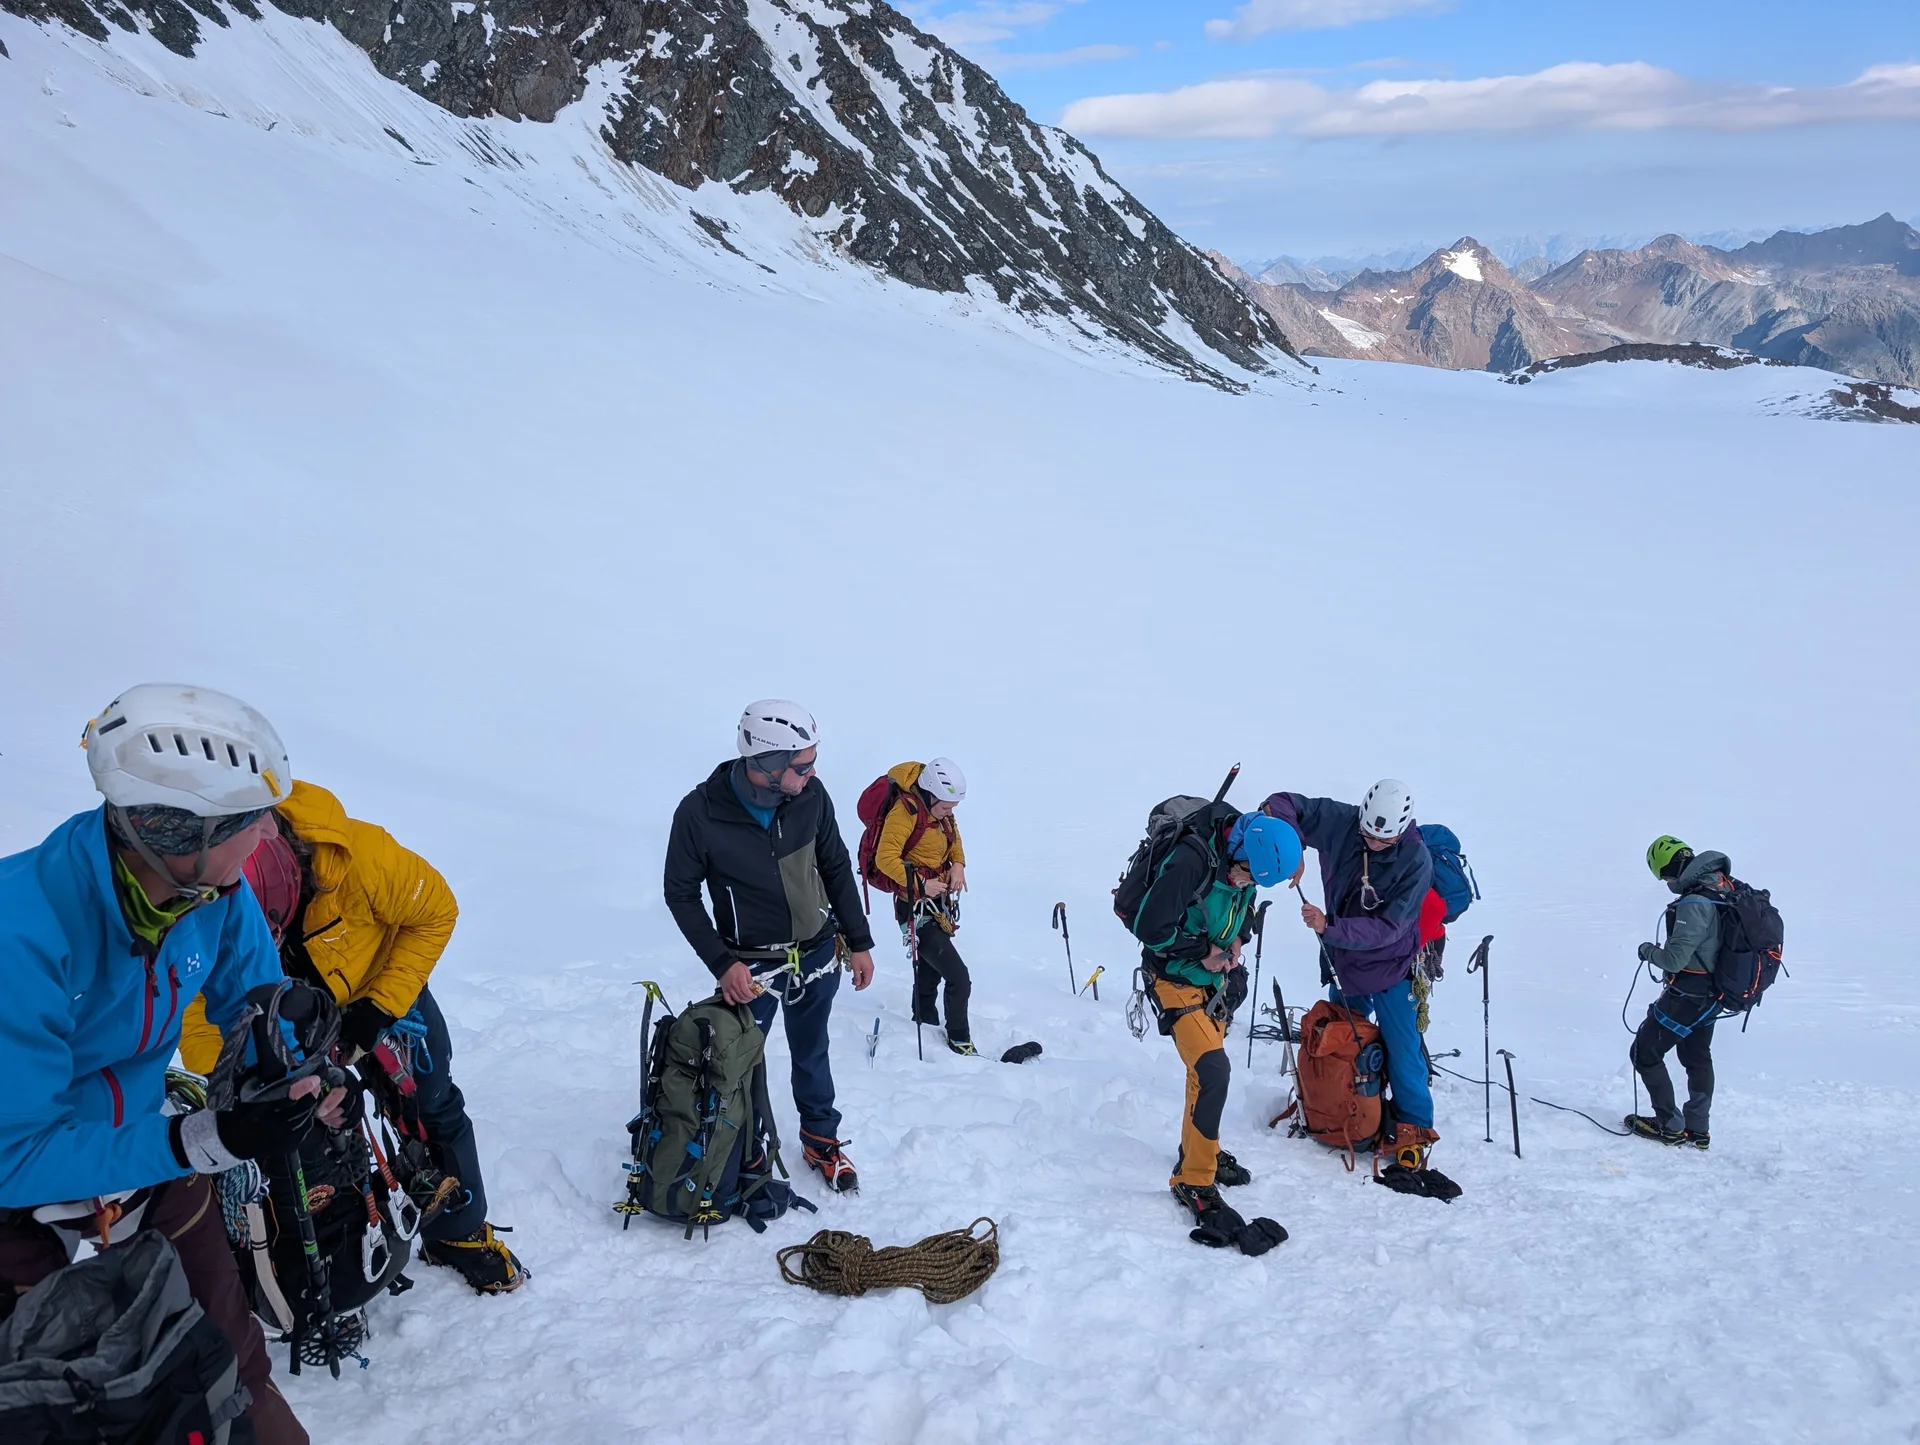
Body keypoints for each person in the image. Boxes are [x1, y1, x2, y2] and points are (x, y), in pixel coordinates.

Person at [0, 683, 350, 1445]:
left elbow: (254, 994)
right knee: (91, 1414)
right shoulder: (20, 932)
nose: (267, 833)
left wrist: (295, 1060)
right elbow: (15, 1151)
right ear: (177, 832)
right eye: (249, 821)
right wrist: (201, 1138)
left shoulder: (212, 889)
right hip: (29, 1219)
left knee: (237, 1372)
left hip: (153, 1176)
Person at [178, 779, 526, 1293]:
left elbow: (436, 912)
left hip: (378, 988)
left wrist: (379, 1008)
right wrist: (245, 1083)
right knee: (311, 1132)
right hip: (284, 1020)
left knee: (431, 1105)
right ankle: (341, 1240)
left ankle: (458, 1230)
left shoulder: (359, 859)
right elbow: (197, 1006)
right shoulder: (203, 892)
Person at [663, 701, 876, 1192]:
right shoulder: (700, 813)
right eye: (802, 765)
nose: (813, 773)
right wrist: (722, 963)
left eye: (813, 761)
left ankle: (821, 1140)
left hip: (818, 953)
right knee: (737, 1065)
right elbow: (680, 893)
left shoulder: (811, 798)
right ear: (765, 765)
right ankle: (743, 1152)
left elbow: (837, 867)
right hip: (750, 966)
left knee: (812, 1049)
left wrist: (859, 940)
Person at [1128, 807, 1301, 1239]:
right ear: (1238, 851)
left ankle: (1200, 1151)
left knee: (1202, 1075)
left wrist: (1237, 940)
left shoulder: (1244, 857)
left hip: (1214, 982)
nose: (1247, 883)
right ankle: (1195, 1180)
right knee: (1213, 1071)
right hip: (1172, 979)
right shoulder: (1191, 862)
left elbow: (1241, 910)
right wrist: (1202, 951)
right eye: (1246, 874)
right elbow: (1151, 928)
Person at [1262, 779, 1439, 1171]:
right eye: (1368, 835)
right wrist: (1293, 850)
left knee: (1403, 1048)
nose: (1373, 843)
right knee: (1338, 1043)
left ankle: (1413, 1129)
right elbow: (1281, 803)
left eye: (1383, 840)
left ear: (1401, 831)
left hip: (1391, 965)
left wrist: (1330, 928)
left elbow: (1389, 928)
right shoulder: (1344, 823)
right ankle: (1334, 1109)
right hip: (1344, 962)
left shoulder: (1416, 860)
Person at [1625, 836, 1728, 1149]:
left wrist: (1646, 951)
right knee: (1696, 1055)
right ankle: (1698, 1129)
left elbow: (1674, 959)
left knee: (1645, 1052)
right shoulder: (1722, 887)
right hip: (1715, 992)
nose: (1667, 882)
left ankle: (1669, 1126)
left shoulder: (1695, 902)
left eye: (1665, 876)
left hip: (1689, 994)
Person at [872, 758, 974, 1055]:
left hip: (936, 904)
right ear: (929, 794)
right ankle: (959, 1039)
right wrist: (920, 885)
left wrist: (958, 864)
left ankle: (925, 1023)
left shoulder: (939, 812)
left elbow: (953, 836)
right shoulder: (905, 813)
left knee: (931, 971)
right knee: (959, 977)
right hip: (915, 907)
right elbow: (885, 858)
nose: (950, 813)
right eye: (945, 807)